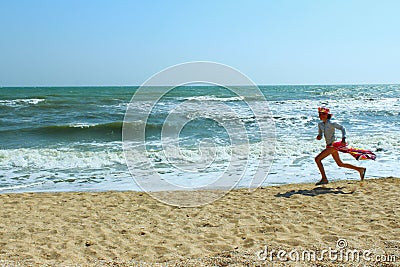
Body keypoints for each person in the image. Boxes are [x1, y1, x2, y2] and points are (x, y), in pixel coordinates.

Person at [315, 107, 366, 185]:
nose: (320, 115)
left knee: (317, 159)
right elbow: (320, 135)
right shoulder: (320, 124)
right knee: (340, 163)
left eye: (322, 114)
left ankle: (324, 179)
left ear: (327, 115)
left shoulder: (332, 123)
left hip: (333, 145)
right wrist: (319, 137)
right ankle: (360, 169)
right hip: (328, 145)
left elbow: (342, 128)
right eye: (319, 114)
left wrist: (343, 138)